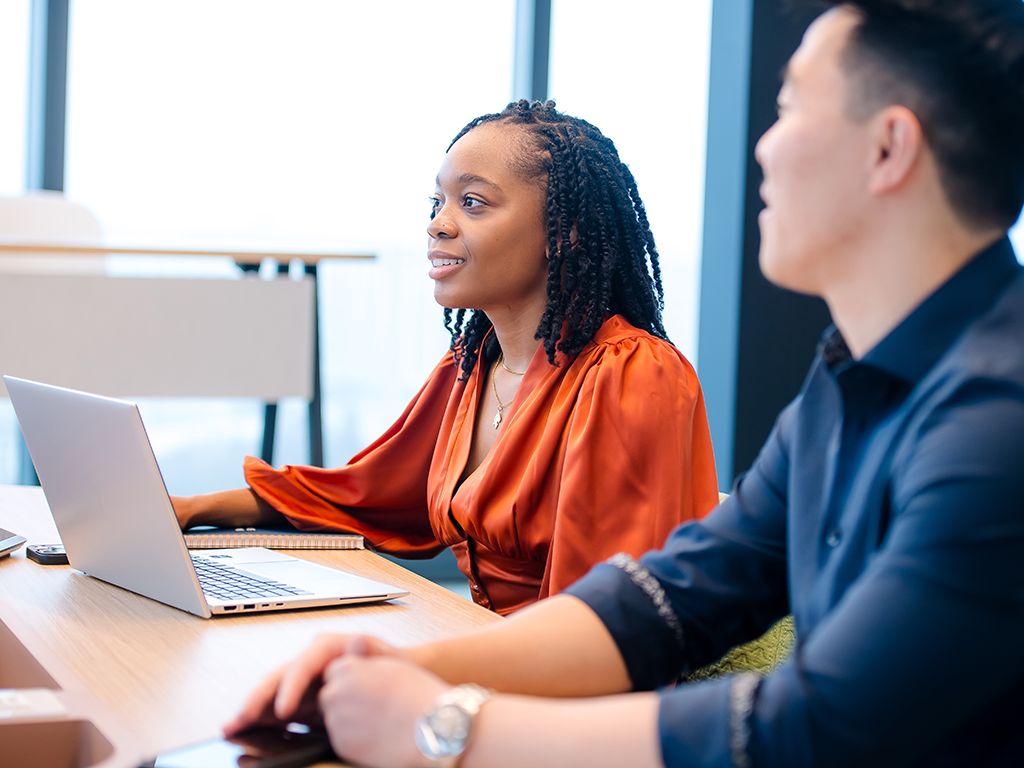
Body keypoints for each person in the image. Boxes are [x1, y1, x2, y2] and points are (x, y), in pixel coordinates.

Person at [222, 1, 1024, 766]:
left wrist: (445, 726)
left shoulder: (998, 420)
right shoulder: (849, 378)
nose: (763, 147)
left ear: (887, 149)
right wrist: (418, 671)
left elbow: (818, 729)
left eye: (791, 108)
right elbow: (669, 596)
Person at [173, 101, 720, 616]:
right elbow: (368, 495)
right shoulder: (472, 365)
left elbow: (604, 627)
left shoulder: (632, 374)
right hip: (478, 654)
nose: (438, 224)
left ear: (563, 232)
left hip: (558, 694)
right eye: (437, 204)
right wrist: (191, 510)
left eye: (473, 202)